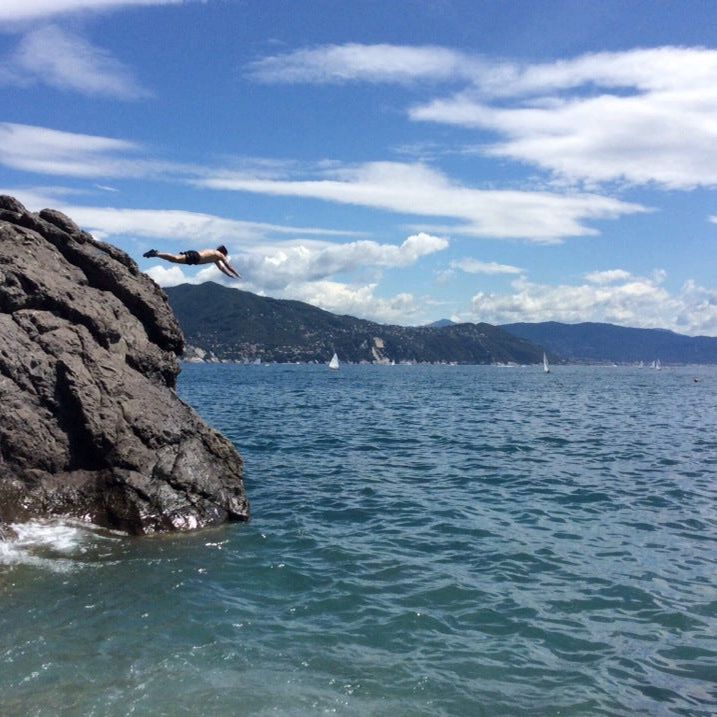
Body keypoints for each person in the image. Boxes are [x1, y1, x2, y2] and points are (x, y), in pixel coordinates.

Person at [143, 245, 241, 278]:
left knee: (174, 260)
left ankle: (156, 254)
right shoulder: (219, 255)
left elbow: (222, 268)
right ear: (223, 253)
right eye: (225, 255)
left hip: (195, 257)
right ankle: (156, 253)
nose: (225, 257)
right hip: (196, 257)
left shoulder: (215, 257)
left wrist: (229, 275)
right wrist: (237, 274)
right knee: (175, 259)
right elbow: (228, 266)